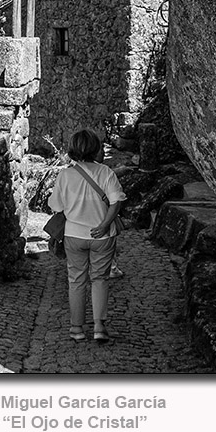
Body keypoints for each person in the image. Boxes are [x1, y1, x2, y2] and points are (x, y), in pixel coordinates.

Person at [48, 129, 126, 343]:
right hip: (102, 236)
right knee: (100, 279)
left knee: (76, 281)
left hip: (73, 234)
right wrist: (104, 225)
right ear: (96, 148)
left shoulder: (65, 175)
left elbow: (55, 205)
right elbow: (116, 201)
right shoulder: (106, 172)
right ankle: (99, 327)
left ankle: (77, 329)